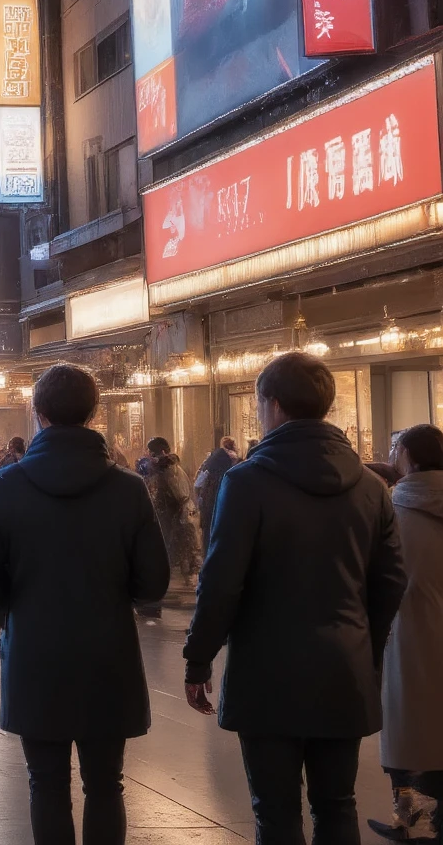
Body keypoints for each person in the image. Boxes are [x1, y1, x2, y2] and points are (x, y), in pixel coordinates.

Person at [184, 352, 406, 845]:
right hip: (343, 669)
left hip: (267, 676)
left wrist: (198, 661)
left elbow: (222, 582)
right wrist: (363, 647)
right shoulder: (372, 487)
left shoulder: (246, 482)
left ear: (274, 406)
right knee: (337, 805)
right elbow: (392, 578)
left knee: (276, 812)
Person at [0, 363, 170, 845]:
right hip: (108, 655)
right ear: (94, 413)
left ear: (38, 415)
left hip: (36, 656)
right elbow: (154, 582)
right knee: (105, 784)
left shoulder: (7, 486)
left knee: (47, 783)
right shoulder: (127, 489)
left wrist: (13, 614)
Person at [374, 423, 443, 840]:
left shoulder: (394, 512)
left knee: (408, 728)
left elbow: (378, 579)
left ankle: (409, 814)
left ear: (409, 459)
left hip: (410, 634)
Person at [143, 437, 199, 580]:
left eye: (151, 452)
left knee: (177, 545)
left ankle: (182, 575)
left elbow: (180, 493)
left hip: (173, 514)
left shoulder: (169, 468)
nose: (149, 455)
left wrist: (179, 512)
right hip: (167, 513)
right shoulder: (163, 467)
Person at [194, 436, 238, 554]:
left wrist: (199, 500)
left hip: (208, 505)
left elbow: (197, 484)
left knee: (208, 534)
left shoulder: (210, 464)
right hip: (223, 506)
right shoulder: (233, 464)